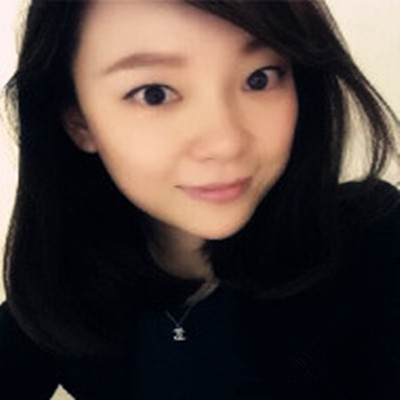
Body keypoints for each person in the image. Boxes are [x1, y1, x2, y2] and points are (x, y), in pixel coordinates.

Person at [1, 0, 399, 399]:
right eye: (154, 94)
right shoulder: (59, 290)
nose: (227, 143)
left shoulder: (373, 243)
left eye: (260, 78)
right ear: (79, 122)